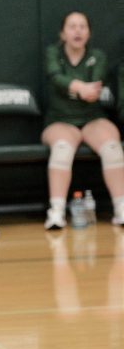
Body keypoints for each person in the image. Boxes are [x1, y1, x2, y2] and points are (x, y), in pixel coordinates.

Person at [40, 11, 124, 228]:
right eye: (72, 26)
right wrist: (79, 87)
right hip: (60, 120)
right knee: (61, 148)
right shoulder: (53, 53)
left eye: (82, 26)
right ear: (63, 33)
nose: (78, 31)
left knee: (113, 147)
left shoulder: (98, 56)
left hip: (92, 118)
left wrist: (80, 89)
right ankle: (56, 212)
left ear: (89, 33)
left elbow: (94, 88)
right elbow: (55, 77)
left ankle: (121, 208)